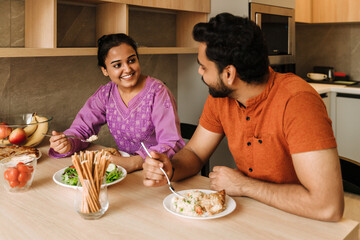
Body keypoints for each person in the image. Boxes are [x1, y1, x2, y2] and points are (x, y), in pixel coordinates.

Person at [142, 13, 344, 221]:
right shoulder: (221, 97)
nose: (200, 72)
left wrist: (244, 186)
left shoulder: (298, 102)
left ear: (229, 74)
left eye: (203, 66)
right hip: (250, 214)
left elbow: (327, 206)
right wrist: (170, 168)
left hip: (299, 219)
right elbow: (194, 153)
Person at [49, 33, 185, 173]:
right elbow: (81, 130)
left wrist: (133, 162)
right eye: (117, 65)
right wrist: (67, 143)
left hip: (159, 172)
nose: (127, 69)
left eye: (132, 61)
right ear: (105, 70)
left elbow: (171, 142)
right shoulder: (105, 94)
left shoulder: (158, 92)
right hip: (123, 171)